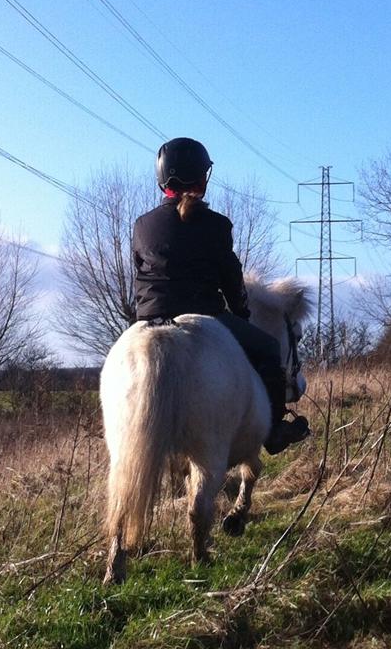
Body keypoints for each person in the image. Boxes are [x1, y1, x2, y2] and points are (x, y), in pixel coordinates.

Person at [132, 137, 310, 454]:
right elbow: (231, 277)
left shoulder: (142, 225)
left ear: (162, 180)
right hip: (204, 315)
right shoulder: (216, 225)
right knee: (268, 348)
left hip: (149, 318)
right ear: (202, 178)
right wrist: (241, 314)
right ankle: (273, 431)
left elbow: (141, 274)